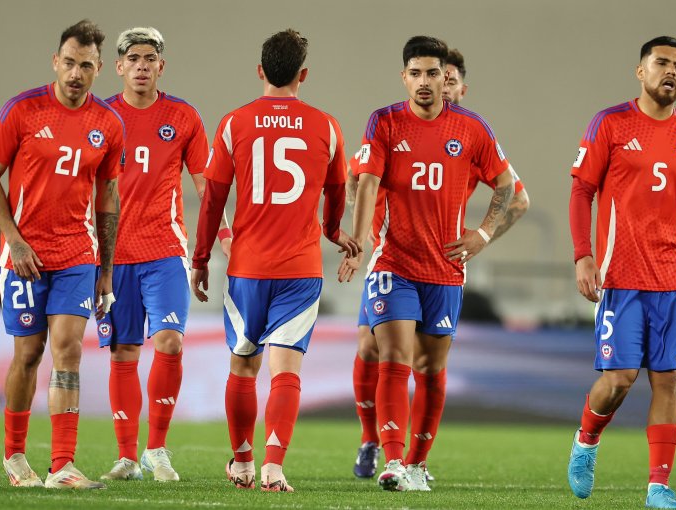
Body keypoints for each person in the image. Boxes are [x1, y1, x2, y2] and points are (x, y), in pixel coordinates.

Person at [338, 36, 514, 492]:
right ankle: (391, 459)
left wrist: (483, 234)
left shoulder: (472, 129)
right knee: (389, 355)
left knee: (431, 369)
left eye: (432, 73)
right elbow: (366, 179)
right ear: (404, 77)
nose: (424, 82)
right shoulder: (385, 122)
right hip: (393, 262)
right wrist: (359, 241)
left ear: (445, 79)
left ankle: (417, 462)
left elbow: (508, 188)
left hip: (444, 270)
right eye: (415, 73)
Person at [566, 36, 676, 509]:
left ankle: (658, 486)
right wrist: (583, 255)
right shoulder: (611, 123)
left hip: (673, 278)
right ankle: (587, 440)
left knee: (667, 380)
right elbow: (582, 193)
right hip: (620, 276)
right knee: (619, 379)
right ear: (641, 72)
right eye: (661, 63)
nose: (671, 72)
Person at [191, 29, 357, 492]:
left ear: (261, 71)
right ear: (303, 75)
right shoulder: (325, 126)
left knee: (243, 363)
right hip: (300, 269)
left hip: (247, 266)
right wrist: (331, 231)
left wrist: (201, 257)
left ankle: (242, 463)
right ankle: (273, 467)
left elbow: (212, 199)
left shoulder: (234, 123)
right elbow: (338, 191)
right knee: (286, 371)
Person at [0, 19, 123, 489]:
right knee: (29, 353)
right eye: (69, 63)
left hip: (77, 255)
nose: (76, 73)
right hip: (25, 256)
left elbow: (108, 198)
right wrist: (14, 240)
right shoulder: (22, 109)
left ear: (99, 68)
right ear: (55, 62)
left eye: (85, 65)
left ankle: (62, 465)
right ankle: (15, 456)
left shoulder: (108, 123)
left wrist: (105, 269)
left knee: (67, 351)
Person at [97, 27, 230, 483]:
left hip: (164, 249)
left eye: (149, 58)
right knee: (124, 352)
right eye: (132, 58)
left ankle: (157, 449)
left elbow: (204, 185)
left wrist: (220, 234)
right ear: (118, 66)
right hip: (112, 256)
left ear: (161, 66)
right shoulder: (100, 115)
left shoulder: (184, 116)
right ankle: (126, 457)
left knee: (170, 341)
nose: (141, 65)